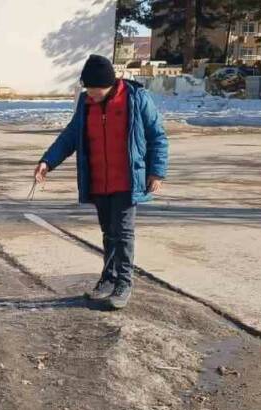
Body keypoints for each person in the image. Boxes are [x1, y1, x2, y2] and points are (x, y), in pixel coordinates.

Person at [33, 54, 169, 310]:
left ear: (109, 84)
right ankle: (108, 278)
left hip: (128, 180)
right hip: (99, 180)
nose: (91, 95)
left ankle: (124, 283)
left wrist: (156, 172)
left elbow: (157, 137)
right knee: (109, 232)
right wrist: (47, 162)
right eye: (88, 90)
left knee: (124, 233)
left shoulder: (135, 99)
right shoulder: (86, 104)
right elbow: (70, 136)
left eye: (95, 91)